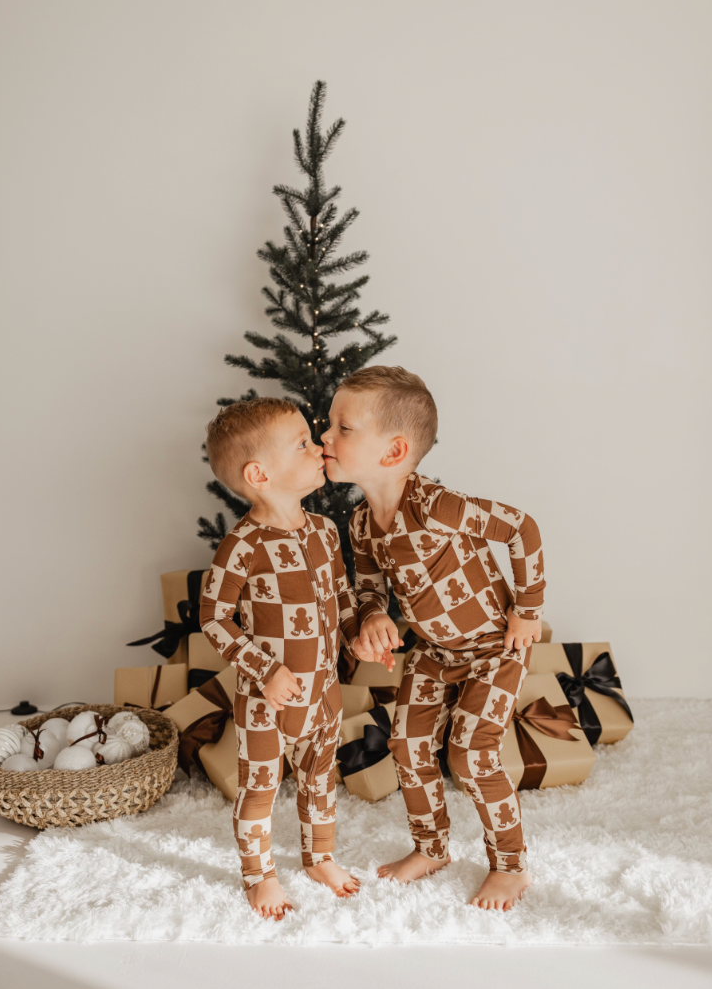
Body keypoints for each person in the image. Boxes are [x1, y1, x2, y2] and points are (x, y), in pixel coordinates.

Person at [321, 366, 545, 911]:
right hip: (435, 651)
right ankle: (431, 847)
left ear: (394, 451)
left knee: (471, 754)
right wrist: (373, 619)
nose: (323, 437)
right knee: (407, 743)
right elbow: (370, 589)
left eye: (341, 428)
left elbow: (521, 527)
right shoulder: (360, 523)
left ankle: (510, 866)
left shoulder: (438, 507)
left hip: (494, 647)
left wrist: (528, 610)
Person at [199, 396, 366, 919]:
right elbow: (213, 618)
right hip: (266, 698)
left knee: (321, 778)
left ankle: (319, 857)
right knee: (260, 788)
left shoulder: (323, 532)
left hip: (323, 691)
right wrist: (266, 671)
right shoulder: (242, 546)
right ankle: (260, 876)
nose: (318, 448)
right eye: (301, 444)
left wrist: (364, 631)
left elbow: (342, 601)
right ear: (259, 473)